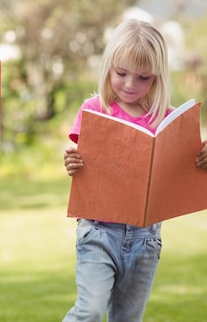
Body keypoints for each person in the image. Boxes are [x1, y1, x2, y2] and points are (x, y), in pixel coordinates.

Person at [62, 18, 207, 322]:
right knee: (88, 311)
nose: (130, 85)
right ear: (108, 67)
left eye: (143, 77)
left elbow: (184, 172)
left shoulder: (167, 120)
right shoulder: (94, 110)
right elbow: (81, 160)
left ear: (157, 78)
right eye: (121, 73)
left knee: (128, 319)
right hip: (99, 231)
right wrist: (72, 162)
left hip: (145, 239)